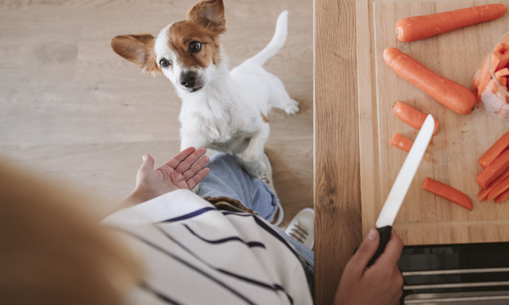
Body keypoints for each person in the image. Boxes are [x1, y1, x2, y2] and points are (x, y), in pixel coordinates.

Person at [0, 146, 404, 305]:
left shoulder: (41, 255)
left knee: (220, 162)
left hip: (210, 225)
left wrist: (138, 202)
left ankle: (271, 219)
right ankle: (297, 249)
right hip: (302, 288)